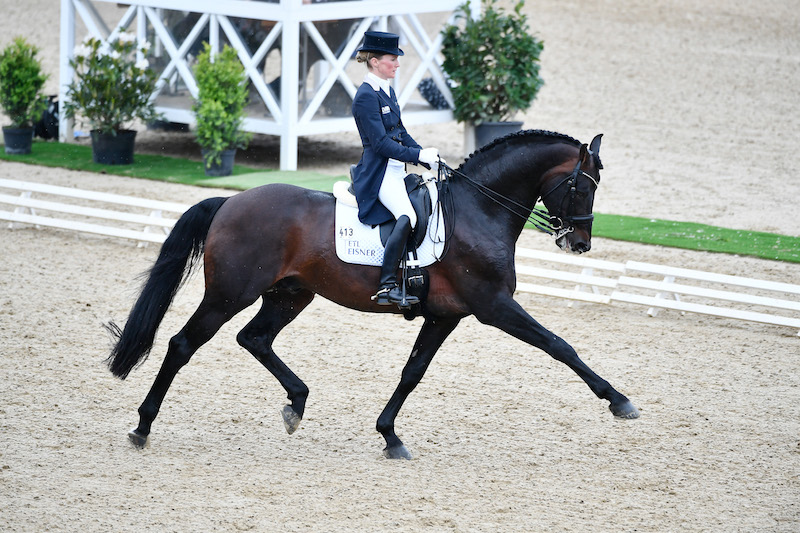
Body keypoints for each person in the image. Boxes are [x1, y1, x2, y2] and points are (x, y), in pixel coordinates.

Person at [351, 30, 440, 306]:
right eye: (392, 59)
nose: (397, 64)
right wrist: (417, 154)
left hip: (395, 169)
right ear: (375, 61)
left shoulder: (386, 90)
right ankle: (387, 285)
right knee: (407, 216)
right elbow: (380, 144)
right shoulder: (366, 96)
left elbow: (400, 132)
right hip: (379, 173)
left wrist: (425, 156)